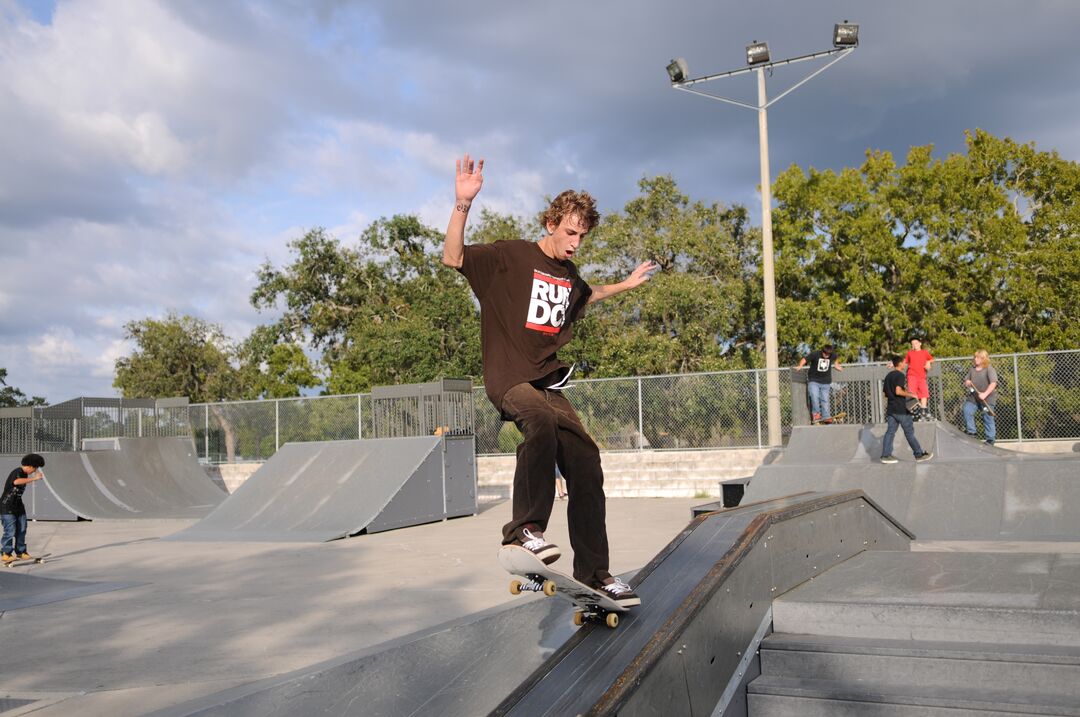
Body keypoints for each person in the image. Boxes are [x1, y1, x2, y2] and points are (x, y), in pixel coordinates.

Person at [443, 153, 655, 606]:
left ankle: (595, 572)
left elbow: (587, 295)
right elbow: (452, 256)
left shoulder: (570, 276)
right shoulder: (510, 256)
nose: (576, 243)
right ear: (551, 223)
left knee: (586, 459)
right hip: (508, 376)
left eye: (583, 236)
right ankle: (523, 530)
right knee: (537, 422)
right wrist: (463, 203)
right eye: (570, 233)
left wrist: (625, 285)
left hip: (547, 381)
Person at [880, 357, 934, 464]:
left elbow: (885, 394)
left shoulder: (888, 376)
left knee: (890, 432)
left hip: (891, 409)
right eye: (904, 363)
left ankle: (885, 456)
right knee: (909, 433)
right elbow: (898, 391)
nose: (905, 364)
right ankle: (919, 454)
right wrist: (911, 394)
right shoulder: (900, 375)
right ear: (900, 364)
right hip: (901, 410)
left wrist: (893, 398)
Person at [2, 453, 46, 563]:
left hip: (18, 506)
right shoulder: (17, 471)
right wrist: (34, 478)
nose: (35, 470)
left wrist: (36, 473)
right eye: (35, 468)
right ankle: (6, 553)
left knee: (22, 529)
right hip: (7, 506)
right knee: (10, 531)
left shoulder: (25, 474)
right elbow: (16, 482)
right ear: (30, 466)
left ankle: (21, 552)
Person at [796, 344, 844, 422]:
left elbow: (836, 359)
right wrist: (800, 366)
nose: (827, 356)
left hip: (826, 382)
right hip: (813, 380)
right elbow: (804, 359)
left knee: (825, 400)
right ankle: (816, 415)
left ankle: (826, 416)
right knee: (814, 397)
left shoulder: (833, 355)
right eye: (825, 354)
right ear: (822, 351)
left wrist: (836, 365)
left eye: (828, 354)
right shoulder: (815, 354)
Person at [963, 349, 998, 445]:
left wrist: (985, 394)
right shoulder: (972, 369)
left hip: (987, 399)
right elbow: (966, 381)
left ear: (983, 359)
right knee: (967, 410)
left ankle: (990, 439)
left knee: (988, 417)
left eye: (978, 357)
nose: (975, 359)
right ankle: (972, 432)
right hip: (974, 398)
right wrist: (967, 382)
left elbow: (993, 383)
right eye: (975, 357)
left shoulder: (989, 369)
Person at [903, 338, 935, 418]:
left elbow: (932, 359)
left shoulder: (925, 352)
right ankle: (915, 410)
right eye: (913, 344)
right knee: (912, 393)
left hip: (922, 377)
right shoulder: (910, 353)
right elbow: (904, 361)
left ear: (920, 343)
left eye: (916, 343)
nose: (914, 345)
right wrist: (893, 364)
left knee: (924, 393)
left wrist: (928, 362)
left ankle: (923, 410)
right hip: (912, 375)